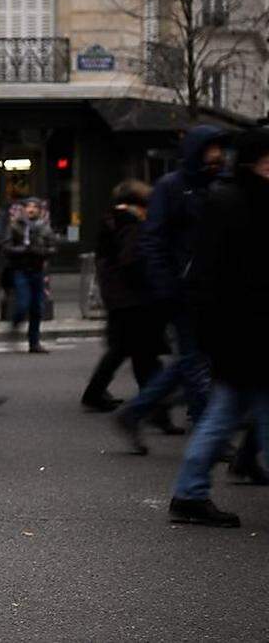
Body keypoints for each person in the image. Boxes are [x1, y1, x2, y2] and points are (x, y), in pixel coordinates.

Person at [167, 127, 269, 528]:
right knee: (237, 412)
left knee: (224, 414)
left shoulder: (233, 197)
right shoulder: (238, 202)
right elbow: (214, 274)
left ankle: (190, 493)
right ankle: (190, 493)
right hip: (247, 331)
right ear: (256, 161)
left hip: (239, 332)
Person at [114, 126, 228, 454]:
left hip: (210, 288)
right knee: (194, 360)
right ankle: (212, 435)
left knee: (196, 360)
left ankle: (136, 411)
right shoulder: (172, 187)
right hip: (184, 290)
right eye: (211, 150)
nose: (217, 156)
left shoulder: (215, 186)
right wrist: (166, 284)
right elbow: (153, 239)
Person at [80, 180, 170, 414]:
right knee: (141, 353)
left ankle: (99, 393)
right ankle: (151, 407)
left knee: (125, 349)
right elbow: (132, 261)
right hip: (131, 298)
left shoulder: (113, 220)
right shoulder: (130, 224)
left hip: (118, 296)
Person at [4, 198, 56, 353]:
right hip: (21, 269)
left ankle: (34, 342)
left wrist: (41, 252)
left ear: (40, 210)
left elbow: (53, 247)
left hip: (37, 269)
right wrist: (23, 250)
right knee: (22, 303)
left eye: (35, 207)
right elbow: (6, 247)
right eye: (28, 207)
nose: (31, 210)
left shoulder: (44, 228)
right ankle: (16, 323)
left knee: (37, 308)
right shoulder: (15, 226)